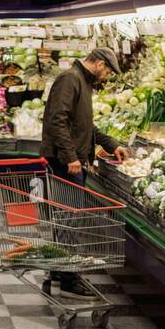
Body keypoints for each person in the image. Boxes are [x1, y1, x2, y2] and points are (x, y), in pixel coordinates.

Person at [39, 47, 130, 296]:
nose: (107, 76)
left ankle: (60, 268)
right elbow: (57, 120)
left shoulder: (81, 81)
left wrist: (112, 144)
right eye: (108, 70)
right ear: (100, 64)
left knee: (66, 218)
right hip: (66, 161)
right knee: (70, 218)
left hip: (72, 158)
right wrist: (71, 157)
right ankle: (69, 279)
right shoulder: (70, 79)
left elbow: (84, 125)